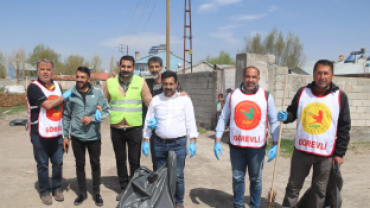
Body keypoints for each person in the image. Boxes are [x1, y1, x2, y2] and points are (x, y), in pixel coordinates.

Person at [279, 60, 351, 208]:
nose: (322, 76)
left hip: (325, 155)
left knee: (319, 192)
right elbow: (293, 112)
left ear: (332, 75)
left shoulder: (339, 97)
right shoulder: (302, 92)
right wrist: (286, 116)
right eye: (319, 73)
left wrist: (339, 153)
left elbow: (344, 126)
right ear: (313, 74)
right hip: (301, 152)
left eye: (326, 73)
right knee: (293, 187)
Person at [214, 66, 280, 208]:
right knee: (238, 178)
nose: (251, 80)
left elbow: (274, 121)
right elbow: (223, 117)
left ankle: (255, 206)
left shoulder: (266, 96)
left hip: (257, 148)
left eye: (254, 77)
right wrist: (217, 140)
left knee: (256, 179)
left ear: (258, 79)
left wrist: (275, 143)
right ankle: (238, 205)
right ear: (243, 77)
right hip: (236, 147)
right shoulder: (233, 95)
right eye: (248, 76)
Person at [141, 71, 198, 208]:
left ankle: (178, 202)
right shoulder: (156, 100)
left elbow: (190, 122)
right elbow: (149, 121)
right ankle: (162, 200)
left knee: (178, 176)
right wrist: (145, 140)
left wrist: (193, 141)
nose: (168, 86)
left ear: (176, 84)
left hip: (178, 144)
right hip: (159, 143)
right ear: (162, 84)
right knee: (159, 175)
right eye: (165, 83)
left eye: (171, 84)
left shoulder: (185, 100)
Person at [103, 55, 152, 201]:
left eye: (129, 66)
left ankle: (135, 189)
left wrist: (158, 115)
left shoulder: (141, 82)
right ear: (119, 66)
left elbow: (149, 101)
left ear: (133, 67)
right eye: (123, 66)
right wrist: (98, 112)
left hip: (135, 127)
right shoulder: (110, 82)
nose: (125, 69)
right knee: (120, 159)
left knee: (134, 160)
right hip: (116, 127)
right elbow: (104, 102)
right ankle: (124, 188)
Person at [27, 59, 72, 205]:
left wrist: (66, 135)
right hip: (39, 133)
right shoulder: (33, 88)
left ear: (52, 71)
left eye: (48, 69)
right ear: (37, 71)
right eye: (42, 69)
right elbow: (47, 105)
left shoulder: (57, 86)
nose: (45, 71)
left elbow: (63, 109)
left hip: (57, 132)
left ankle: (57, 187)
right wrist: (66, 95)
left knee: (58, 162)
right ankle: (45, 191)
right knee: (42, 164)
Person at [62, 67, 109, 206]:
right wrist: (65, 135)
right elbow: (66, 116)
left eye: (82, 77)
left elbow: (106, 110)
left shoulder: (98, 93)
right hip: (76, 136)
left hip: (94, 136)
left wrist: (94, 118)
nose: (79, 80)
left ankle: (96, 193)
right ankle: (82, 193)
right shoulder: (71, 94)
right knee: (79, 165)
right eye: (77, 77)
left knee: (95, 164)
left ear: (89, 79)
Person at [142, 56, 186, 171]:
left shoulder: (169, 82)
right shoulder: (146, 83)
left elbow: (181, 99)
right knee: (157, 165)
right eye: (151, 67)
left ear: (161, 67)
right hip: (154, 131)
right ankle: (161, 187)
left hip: (169, 129)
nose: (154, 69)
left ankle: (171, 187)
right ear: (148, 68)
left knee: (173, 166)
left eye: (157, 66)